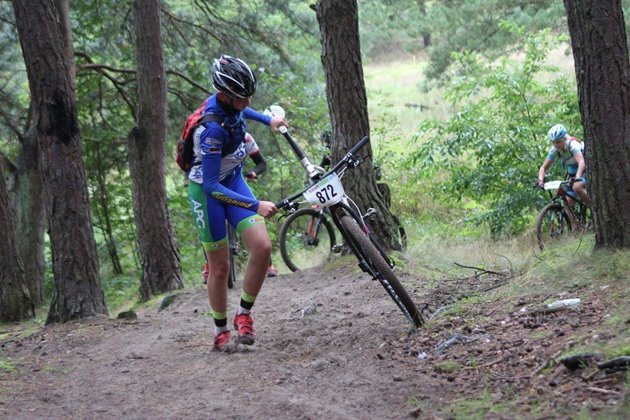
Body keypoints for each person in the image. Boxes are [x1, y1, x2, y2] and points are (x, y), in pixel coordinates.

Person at [187, 55, 286, 351]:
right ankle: (220, 330)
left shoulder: (234, 104)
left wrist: (269, 120)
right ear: (223, 95)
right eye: (242, 98)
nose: (247, 101)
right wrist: (254, 206)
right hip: (208, 193)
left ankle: (244, 315)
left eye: (248, 96)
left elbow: (244, 114)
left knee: (263, 247)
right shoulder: (212, 130)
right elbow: (211, 185)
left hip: (233, 179)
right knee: (219, 267)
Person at [200, 132, 277, 285]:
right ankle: (209, 264)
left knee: (257, 221)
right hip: (211, 186)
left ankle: (269, 264)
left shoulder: (246, 138)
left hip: (237, 182)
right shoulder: (210, 136)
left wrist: (253, 173)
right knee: (209, 225)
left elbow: (262, 163)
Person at [536, 124, 590, 206]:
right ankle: (574, 218)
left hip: (585, 171)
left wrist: (577, 177)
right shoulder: (555, 150)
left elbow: (581, 163)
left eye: (558, 142)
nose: (556, 145)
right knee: (567, 202)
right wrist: (540, 180)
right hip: (572, 175)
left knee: (576, 187)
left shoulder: (573, 145)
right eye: (553, 143)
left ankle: (594, 208)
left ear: (564, 139)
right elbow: (543, 167)